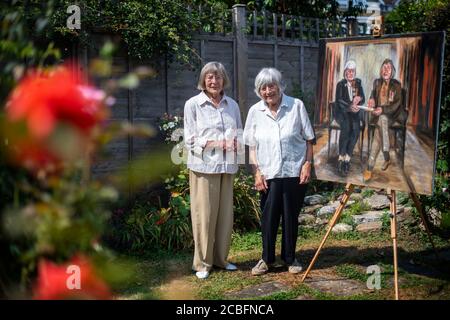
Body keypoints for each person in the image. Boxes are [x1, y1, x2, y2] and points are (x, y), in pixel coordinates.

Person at [243, 68, 315, 276]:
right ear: (259, 91)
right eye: (263, 88)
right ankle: (266, 259)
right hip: (268, 174)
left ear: (279, 86)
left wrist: (307, 164)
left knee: (291, 216)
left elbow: (309, 139)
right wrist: (256, 172)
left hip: (294, 172)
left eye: (271, 86)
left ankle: (290, 258)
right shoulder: (255, 112)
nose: (268, 91)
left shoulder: (296, 106)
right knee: (269, 218)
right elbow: (252, 146)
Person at [183, 61, 242, 279]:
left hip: (227, 167)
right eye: (209, 77)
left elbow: (239, 132)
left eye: (217, 77)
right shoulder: (193, 105)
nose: (214, 81)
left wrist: (238, 143)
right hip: (204, 168)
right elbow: (190, 139)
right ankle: (202, 264)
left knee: (225, 217)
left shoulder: (232, 105)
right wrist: (219, 145)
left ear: (223, 80)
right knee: (204, 216)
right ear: (203, 80)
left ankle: (221, 259)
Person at [363, 58, 406, 182]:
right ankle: (385, 155)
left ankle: (370, 167)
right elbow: (372, 95)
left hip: (392, 115)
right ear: (380, 70)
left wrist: (382, 110)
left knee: (382, 121)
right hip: (379, 116)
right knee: (379, 130)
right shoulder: (377, 82)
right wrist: (371, 100)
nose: (385, 70)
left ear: (392, 72)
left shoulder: (396, 85)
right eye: (383, 68)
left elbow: (396, 105)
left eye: (388, 68)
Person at [334, 60, 365, 175]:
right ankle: (340, 158)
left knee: (356, 130)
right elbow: (339, 100)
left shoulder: (358, 84)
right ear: (345, 72)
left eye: (352, 71)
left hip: (354, 114)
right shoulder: (340, 84)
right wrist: (349, 106)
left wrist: (359, 99)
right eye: (348, 71)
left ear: (355, 72)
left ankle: (347, 158)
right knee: (346, 128)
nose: (350, 73)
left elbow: (363, 97)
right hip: (342, 112)